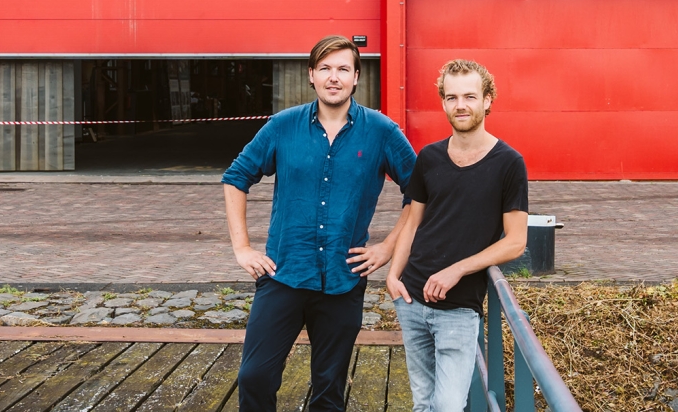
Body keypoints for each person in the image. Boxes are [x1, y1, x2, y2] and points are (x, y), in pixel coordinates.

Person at [222, 35, 417, 412]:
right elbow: (236, 177)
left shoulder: (381, 131)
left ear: (356, 77)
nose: (334, 77)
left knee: (328, 389)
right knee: (254, 377)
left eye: (343, 69)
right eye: (325, 68)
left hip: (343, 280)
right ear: (311, 75)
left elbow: (420, 191)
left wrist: (388, 246)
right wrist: (242, 248)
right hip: (283, 274)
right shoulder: (283, 126)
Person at [386, 59, 529, 411]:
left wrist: (458, 269)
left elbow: (516, 241)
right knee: (423, 404)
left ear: (488, 100)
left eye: (469, 96)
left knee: (448, 406)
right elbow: (413, 222)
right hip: (410, 299)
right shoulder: (429, 157)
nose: (460, 105)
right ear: (443, 103)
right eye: (451, 97)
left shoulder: (509, 162)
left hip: (459, 308)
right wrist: (391, 275)